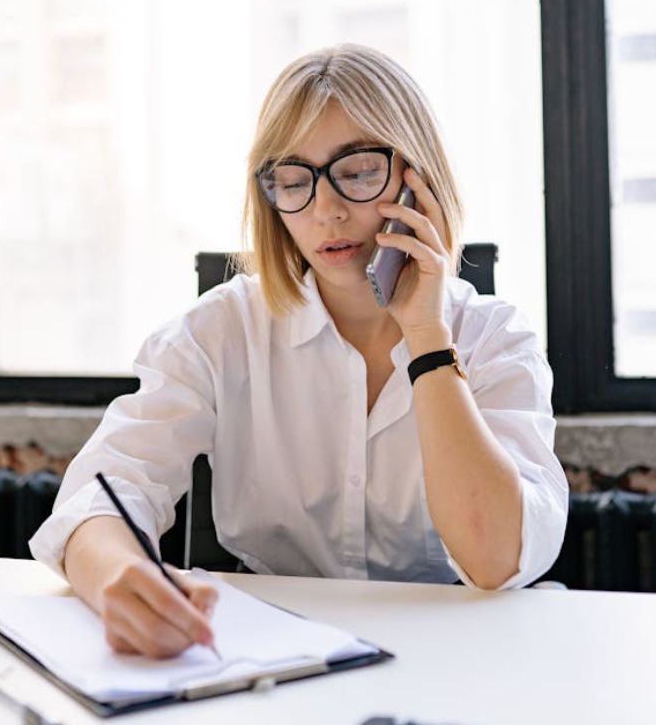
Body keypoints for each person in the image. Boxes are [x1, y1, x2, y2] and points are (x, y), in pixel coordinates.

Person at [29, 43, 568, 659]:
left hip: (450, 650)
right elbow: (102, 493)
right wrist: (120, 579)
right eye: (293, 181)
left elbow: (497, 559)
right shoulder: (221, 329)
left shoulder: (495, 338)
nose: (326, 210)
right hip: (266, 650)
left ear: (418, 180)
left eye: (357, 172)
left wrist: (426, 339)